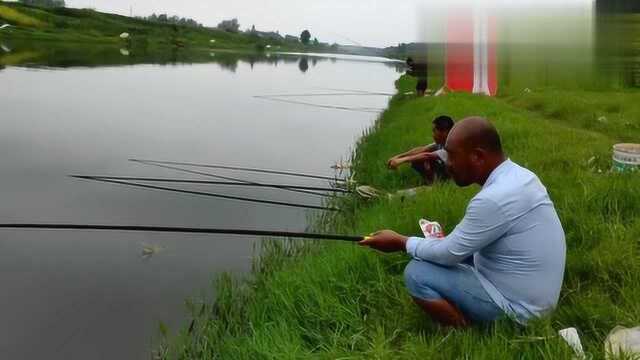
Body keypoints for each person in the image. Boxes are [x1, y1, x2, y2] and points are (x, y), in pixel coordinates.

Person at [361, 117, 566, 327]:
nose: (447, 164)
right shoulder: (521, 176)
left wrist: (400, 242)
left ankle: (465, 331)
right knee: (443, 251)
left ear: (477, 156)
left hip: (520, 313)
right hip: (536, 300)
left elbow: (448, 254)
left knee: (417, 273)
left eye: (451, 156)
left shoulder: (492, 199)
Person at [387, 115, 454, 184]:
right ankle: (434, 183)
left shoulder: (452, 146)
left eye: (434, 131)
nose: (433, 134)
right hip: (445, 171)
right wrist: (399, 156)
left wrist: (402, 160)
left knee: (422, 159)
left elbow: (427, 155)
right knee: (418, 160)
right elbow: (423, 149)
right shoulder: (441, 142)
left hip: (454, 178)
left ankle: (440, 184)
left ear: (444, 132)